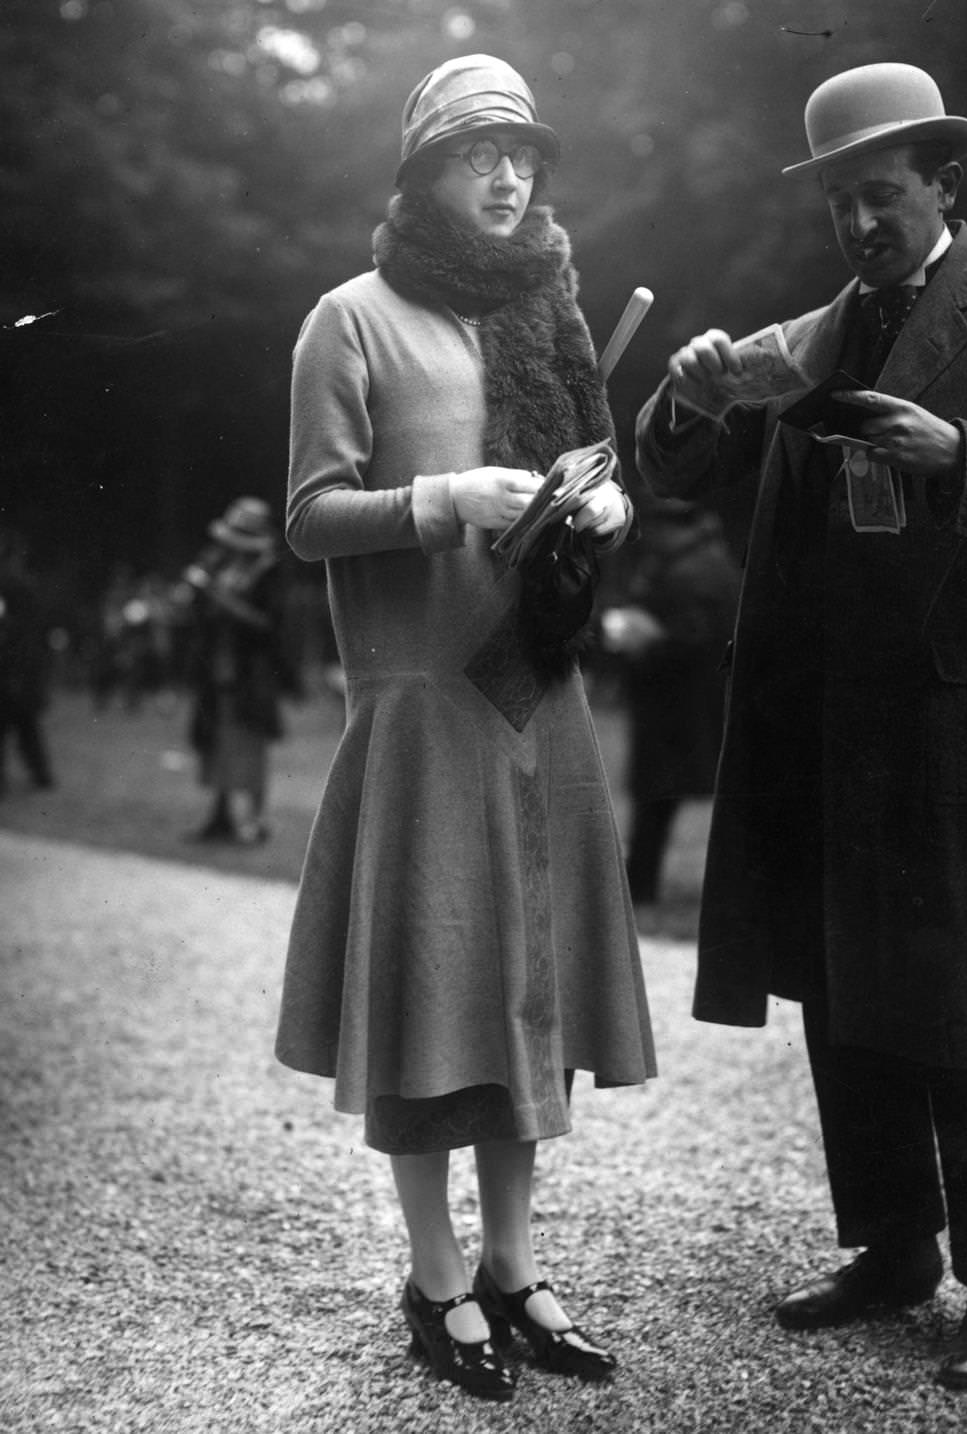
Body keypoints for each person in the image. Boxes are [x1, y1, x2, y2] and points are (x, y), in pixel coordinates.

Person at [274, 54, 656, 1404]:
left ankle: (511, 1263)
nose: (508, 176)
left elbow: (592, 473)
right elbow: (311, 515)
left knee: (524, 997)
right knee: (432, 991)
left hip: (531, 697)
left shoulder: (547, 313)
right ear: (422, 173)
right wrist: (443, 499)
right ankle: (433, 1276)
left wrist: (599, 510)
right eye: (477, 154)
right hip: (421, 706)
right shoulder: (349, 319)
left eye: (522, 155)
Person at [635, 62, 967, 1391]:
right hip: (828, 722)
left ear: (941, 181)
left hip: (963, 721)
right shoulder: (807, 336)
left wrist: (962, 454)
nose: (859, 222)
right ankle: (892, 1245)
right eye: (838, 202)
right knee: (845, 990)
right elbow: (681, 469)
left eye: (882, 193)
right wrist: (684, 395)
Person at [601, 499, 739, 916]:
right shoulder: (707, 558)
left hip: (680, 707)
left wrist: (643, 638)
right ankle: (643, 882)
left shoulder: (688, 569)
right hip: (691, 705)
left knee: (657, 795)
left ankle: (640, 884)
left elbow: (693, 638)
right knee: (666, 797)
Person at [182, 496, 290, 845]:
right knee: (217, 741)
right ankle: (220, 816)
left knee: (250, 744)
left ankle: (256, 821)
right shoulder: (221, 566)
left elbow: (268, 624)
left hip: (252, 672)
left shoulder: (268, 572)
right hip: (217, 668)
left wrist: (218, 597)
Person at [0, 528, 55, 795]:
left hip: (14, 667)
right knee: (26, 725)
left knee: (20, 724)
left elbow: (18, 630)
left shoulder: (13, 586)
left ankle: (40, 773)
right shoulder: (20, 585)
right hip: (19, 666)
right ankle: (41, 773)